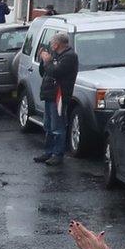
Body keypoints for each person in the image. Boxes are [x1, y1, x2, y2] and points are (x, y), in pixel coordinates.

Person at [34, 32, 78, 166]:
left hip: (59, 96)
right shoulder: (55, 55)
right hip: (49, 94)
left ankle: (57, 154)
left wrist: (47, 61)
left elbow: (56, 72)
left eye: (52, 42)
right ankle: (48, 152)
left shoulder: (69, 57)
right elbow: (45, 72)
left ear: (57, 44)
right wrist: (44, 62)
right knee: (48, 125)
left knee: (57, 126)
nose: (51, 45)